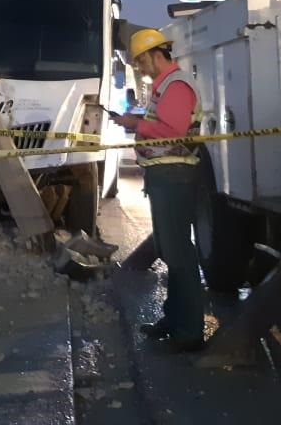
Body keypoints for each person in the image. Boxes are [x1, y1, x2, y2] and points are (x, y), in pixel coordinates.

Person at [112, 28, 205, 352]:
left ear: (155, 54)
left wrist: (135, 125)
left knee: (178, 252)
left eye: (140, 61)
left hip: (175, 176)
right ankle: (174, 318)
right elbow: (163, 122)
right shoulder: (163, 87)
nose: (139, 67)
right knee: (170, 249)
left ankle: (190, 330)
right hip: (165, 175)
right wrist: (136, 121)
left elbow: (172, 129)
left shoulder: (176, 84)